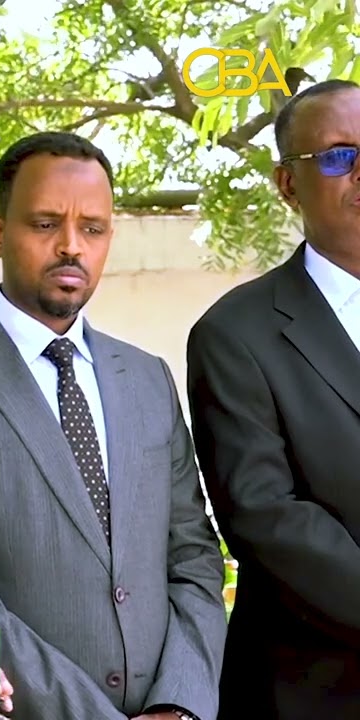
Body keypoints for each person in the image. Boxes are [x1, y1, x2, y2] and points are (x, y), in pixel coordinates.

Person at [0, 131, 227, 720]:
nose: (72, 246)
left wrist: (179, 702)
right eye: (46, 224)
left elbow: (194, 557)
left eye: (93, 229)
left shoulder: (148, 378)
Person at [187, 78, 360, 718]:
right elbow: (266, 516)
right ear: (288, 184)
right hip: (316, 690)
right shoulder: (235, 334)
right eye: (339, 156)